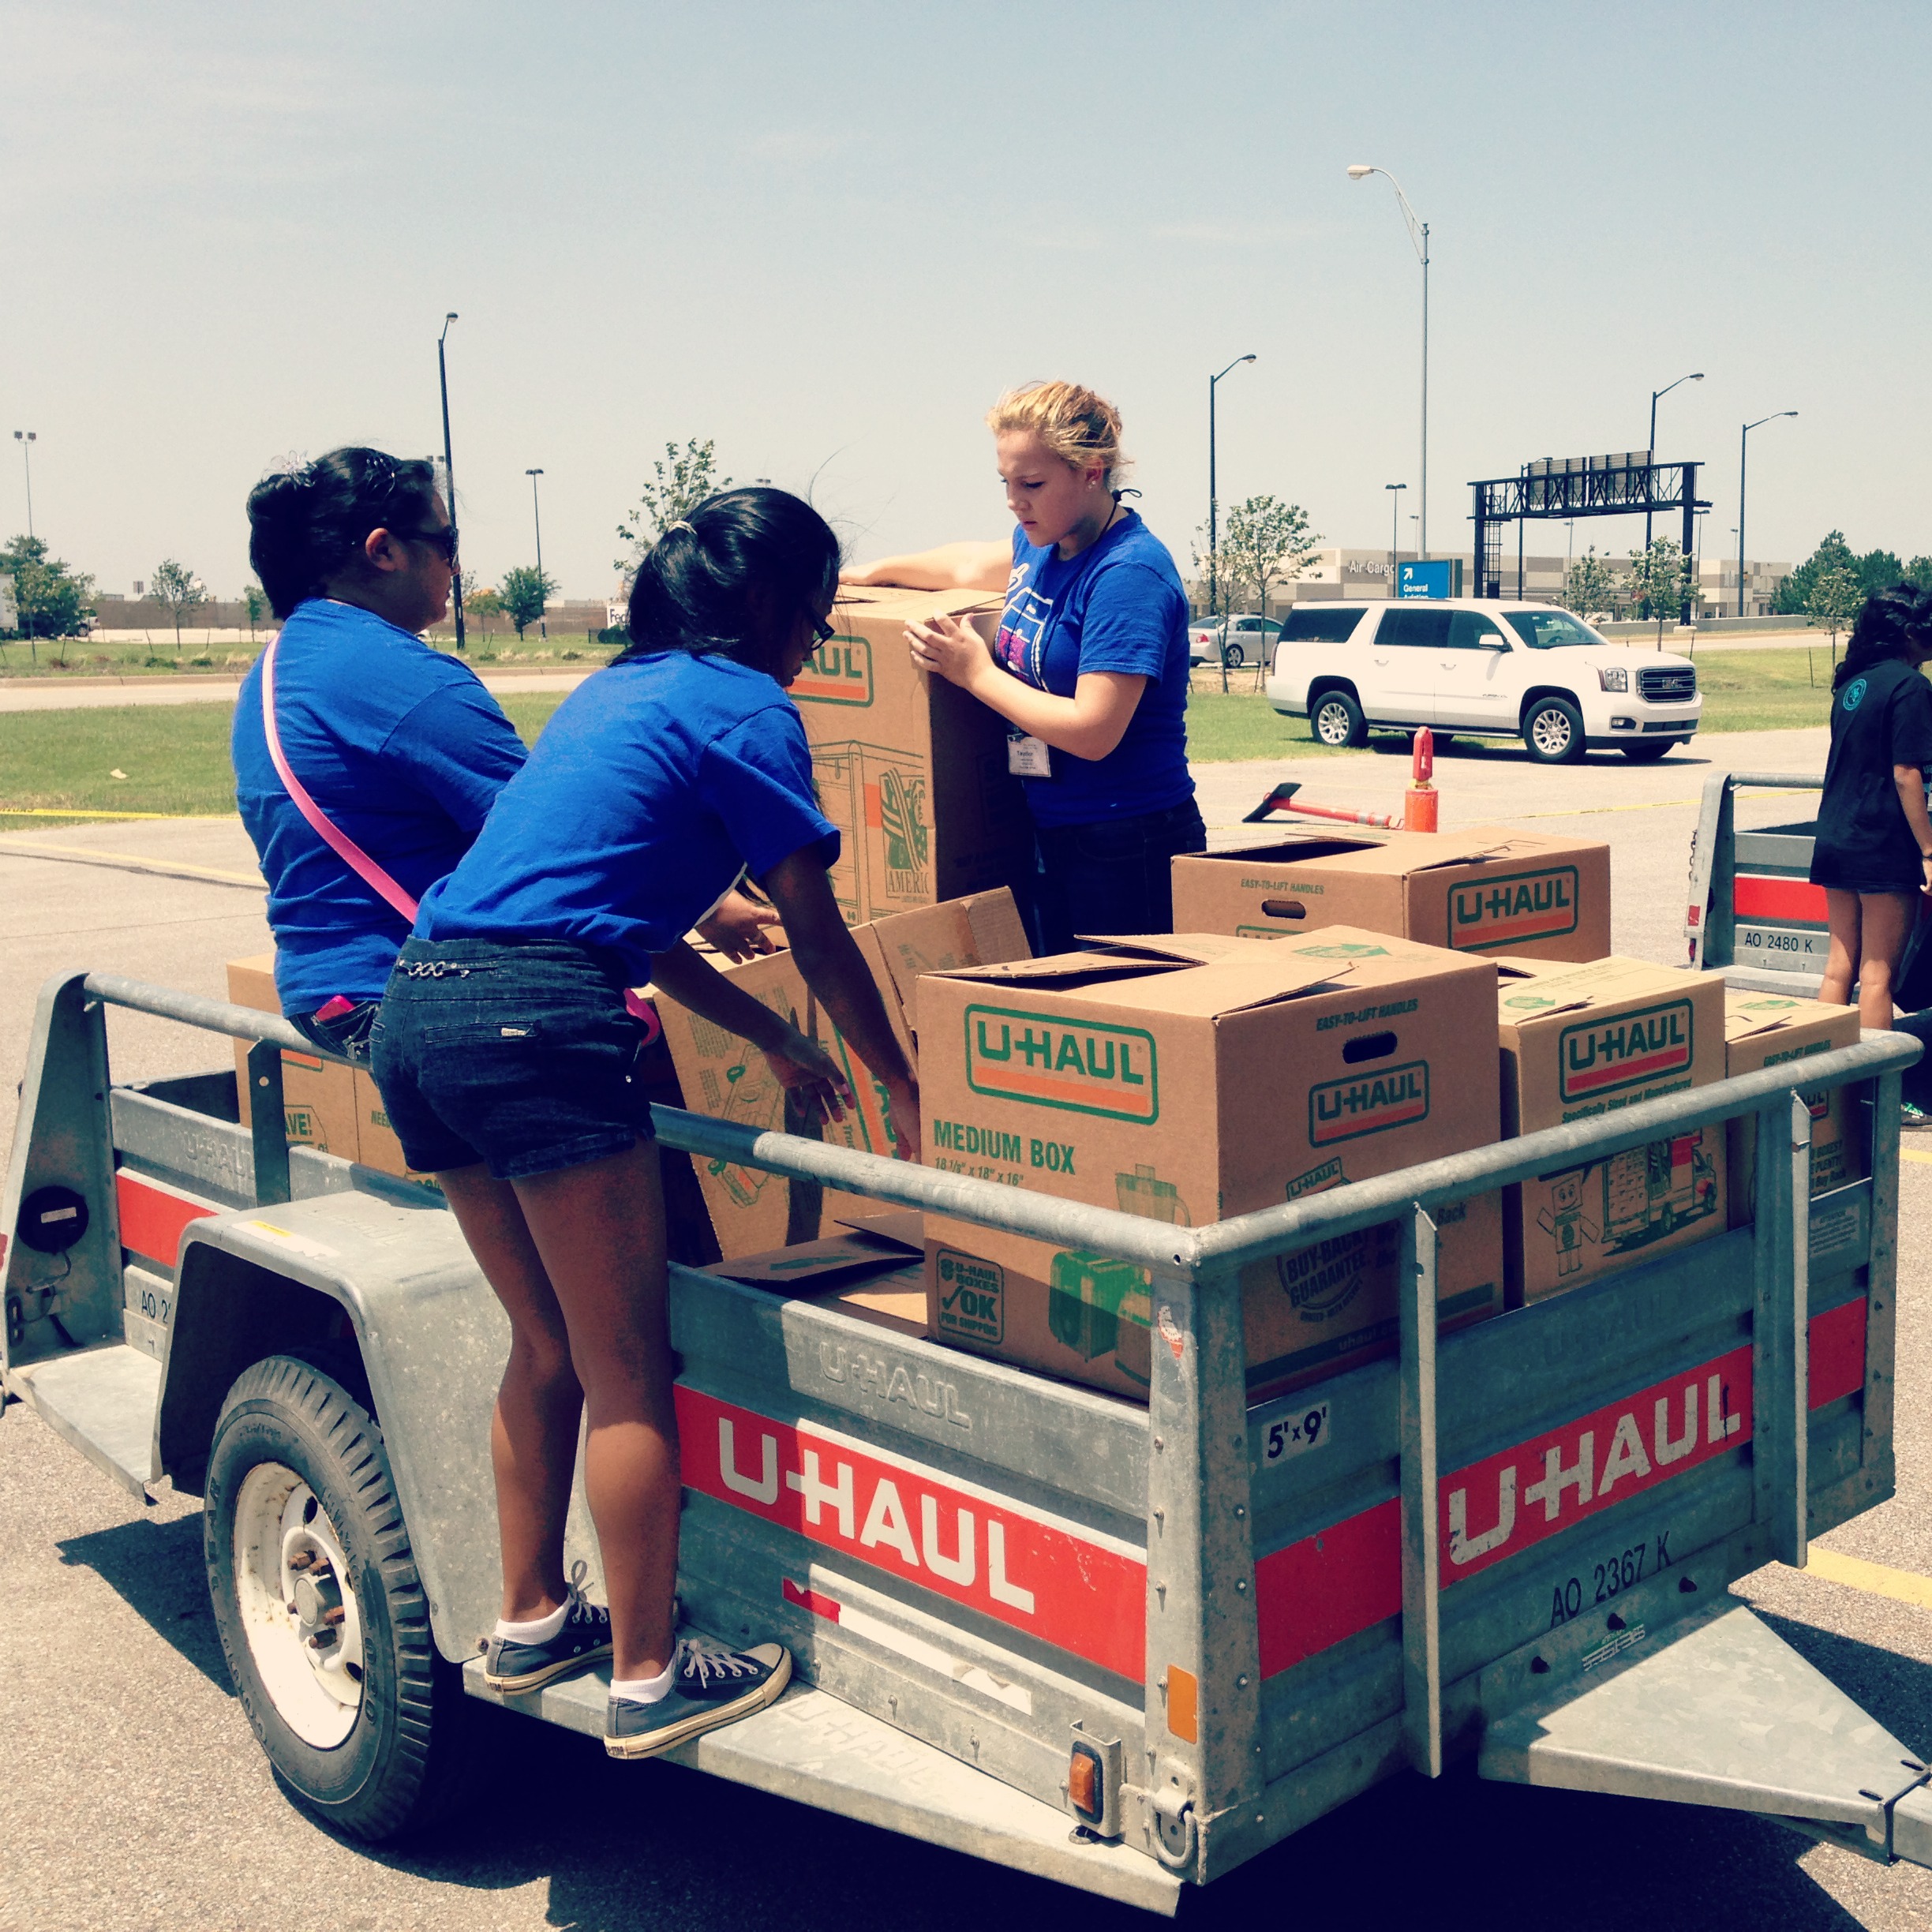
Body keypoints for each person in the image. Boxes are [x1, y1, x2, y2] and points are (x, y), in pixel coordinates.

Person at [370, 487, 921, 1760]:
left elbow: (623, 918)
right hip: (539, 1029)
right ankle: (646, 1670)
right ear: (778, 605)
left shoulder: (613, 695)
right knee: (627, 1365)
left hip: (425, 1011)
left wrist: (769, 1038)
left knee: (546, 1343)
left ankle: (523, 1619)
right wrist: (893, 1071)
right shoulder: (746, 707)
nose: (821, 633)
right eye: (819, 604)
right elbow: (818, 925)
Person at [233, 447, 779, 1064]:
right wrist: (709, 910)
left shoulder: (281, 665)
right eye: (448, 542)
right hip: (416, 991)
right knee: (675, 1073)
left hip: (327, 991)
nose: (458, 567)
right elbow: (561, 857)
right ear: (383, 551)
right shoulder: (401, 677)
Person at [882, 380, 1203, 953]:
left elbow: (1095, 730)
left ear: (1092, 471)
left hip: (1129, 844)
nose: (1014, 500)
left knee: (1121, 1020)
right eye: (1006, 482)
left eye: (1031, 484)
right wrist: (862, 573)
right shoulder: (1043, 543)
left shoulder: (1128, 573)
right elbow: (966, 565)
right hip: (1051, 830)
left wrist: (974, 672)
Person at [1809, 584, 1932, 1034]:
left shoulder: (1850, 685)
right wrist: (1929, 851)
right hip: (1881, 842)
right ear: (1907, 635)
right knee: (1878, 976)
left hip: (1836, 836)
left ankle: (1830, 1093)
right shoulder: (1912, 686)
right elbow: (1906, 773)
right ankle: (1877, 1096)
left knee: (1838, 969)